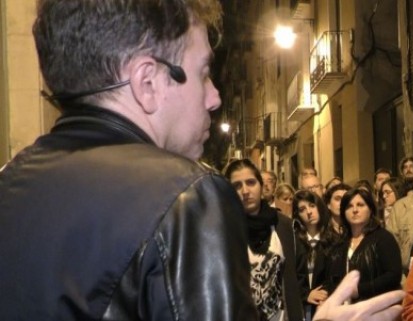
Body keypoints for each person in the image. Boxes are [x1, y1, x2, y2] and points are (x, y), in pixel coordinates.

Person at [0, 0, 256, 319]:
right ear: (147, 82)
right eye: (203, 73)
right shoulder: (189, 198)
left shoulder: (9, 181)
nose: (214, 97)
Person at [225, 159, 308, 321]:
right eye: (237, 186)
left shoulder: (283, 226)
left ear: (261, 186)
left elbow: (298, 277)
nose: (245, 191)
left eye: (251, 182)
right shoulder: (223, 230)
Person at [326, 189, 402, 302]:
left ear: (370, 209)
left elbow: (393, 276)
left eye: (360, 205)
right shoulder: (339, 244)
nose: (355, 210)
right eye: (349, 206)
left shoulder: (383, 238)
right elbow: (331, 279)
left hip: (376, 309)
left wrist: (359, 290)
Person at [292, 190, 342, 320]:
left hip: (327, 306)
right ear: (297, 215)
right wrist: (306, 295)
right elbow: (289, 276)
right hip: (299, 307)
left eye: (312, 206)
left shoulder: (335, 240)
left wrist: (324, 293)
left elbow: (338, 275)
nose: (309, 212)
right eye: (302, 209)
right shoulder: (293, 241)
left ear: (319, 207)